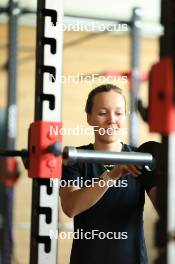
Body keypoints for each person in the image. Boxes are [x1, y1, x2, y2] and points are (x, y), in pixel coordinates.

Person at [60, 84, 157, 264]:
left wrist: (166, 174)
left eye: (118, 113)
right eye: (103, 113)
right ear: (89, 117)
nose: (112, 120)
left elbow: (166, 212)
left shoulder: (140, 160)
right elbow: (70, 207)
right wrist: (112, 175)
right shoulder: (75, 159)